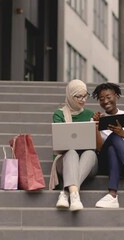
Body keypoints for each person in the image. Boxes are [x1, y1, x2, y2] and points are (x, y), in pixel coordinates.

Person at [49, 79, 98, 211]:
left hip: (88, 162)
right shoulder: (59, 114)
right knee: (71, 152)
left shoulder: (90, 115)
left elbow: (96, 145)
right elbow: (60, 143)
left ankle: (65, 193)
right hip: (65, 161)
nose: (83, 100)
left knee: (90, 152)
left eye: (85, 95)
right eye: (78, 96)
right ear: (70, 96)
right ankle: (74, 196)